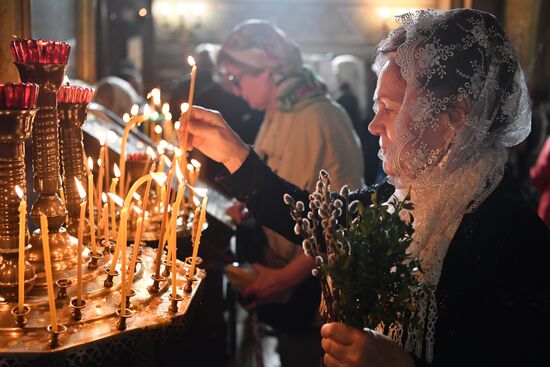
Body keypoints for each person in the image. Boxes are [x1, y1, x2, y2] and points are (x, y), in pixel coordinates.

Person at [180, 8, 550, 367]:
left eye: (389, 107)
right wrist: (236, 155)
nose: (373, 125)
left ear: (454, 116)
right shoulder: (407, 193)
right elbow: (322, 219)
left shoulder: (513, 236)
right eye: (376, 105)